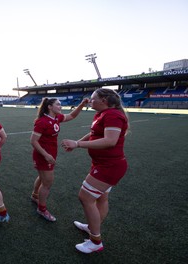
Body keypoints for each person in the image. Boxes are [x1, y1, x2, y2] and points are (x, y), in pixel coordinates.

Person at [61, 88, 129, 254]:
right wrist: (77, 142)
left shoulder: (113, 114)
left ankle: (95, 241)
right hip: (103, 163)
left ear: (104, 100)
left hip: (110, 166)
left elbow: (110, 141)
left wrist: (78, 144)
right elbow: (93, 133)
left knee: (85, 197)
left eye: (92, 99)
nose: (90, 101)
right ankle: (92, 227)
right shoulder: (102, 114)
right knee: (101, 198)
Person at [30, 97, 89, 222]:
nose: (60, 106)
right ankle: (41, 208)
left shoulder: (57, 118)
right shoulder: (42, 121)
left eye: (60, 104)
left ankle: (35, 195)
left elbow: (72, 116)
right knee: (47, 183)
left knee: (42, 178)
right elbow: (33, 141)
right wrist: (46, 155)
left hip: (50, 154)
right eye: (58, 104)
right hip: (43, 155)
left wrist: (82, 104)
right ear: (50, 107)